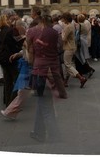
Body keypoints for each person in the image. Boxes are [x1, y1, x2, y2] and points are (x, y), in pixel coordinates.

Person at [26, 11, 65, 141]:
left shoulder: (31, 32)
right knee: (42, 103)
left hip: (39, 72)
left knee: (46, 106)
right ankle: (38, 132)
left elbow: (29, 54)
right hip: (53, 70)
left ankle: (55, 137)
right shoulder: (54, 32)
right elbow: (60, 48)